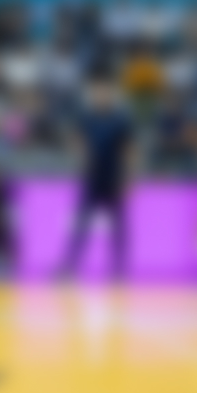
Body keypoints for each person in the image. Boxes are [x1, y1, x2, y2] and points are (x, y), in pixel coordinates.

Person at [58, 76, 134, 279]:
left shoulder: (120, 120)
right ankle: (69, 268)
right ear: (92, 96)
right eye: (97, 93)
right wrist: (81, 153)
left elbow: (128, 150)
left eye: (105, 92)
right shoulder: (86, 118)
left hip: (113, 178)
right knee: (81, 224)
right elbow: (75, 140)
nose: (101, 96)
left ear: (111, 95)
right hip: (92, 179)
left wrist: (127, 178)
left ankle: (119, 270)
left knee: (119, 227)